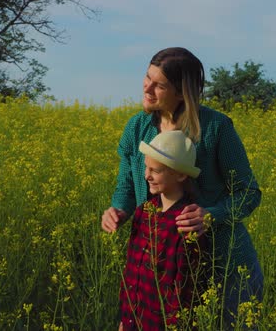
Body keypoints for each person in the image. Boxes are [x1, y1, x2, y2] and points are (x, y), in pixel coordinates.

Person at [101, 47, 263, 327]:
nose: (147, 88)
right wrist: (117, 210)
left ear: (182, 92)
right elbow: (126, 186)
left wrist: (210, 214)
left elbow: (249, 193)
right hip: (164, 268)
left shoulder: (216, 128)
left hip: (223, 267)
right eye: (147, 77)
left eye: (159, 84)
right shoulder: (137, 127)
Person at [116, 130, 208, 330]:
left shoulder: (187, 223)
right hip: (133, 319)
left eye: (155, 170)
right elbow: (131, 270)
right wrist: (125, 318)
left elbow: (186, 290)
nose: (147, 175)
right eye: (146, 167)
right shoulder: (142, 213)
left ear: (181, 174)